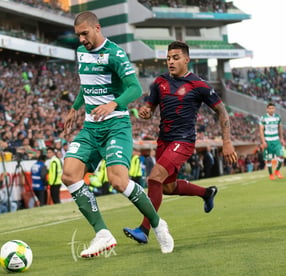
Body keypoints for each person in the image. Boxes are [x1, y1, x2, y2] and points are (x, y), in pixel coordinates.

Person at [62, 11, 174, 258]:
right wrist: (74, 107)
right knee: (69, 175)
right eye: (78, 35)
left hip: (116, 125)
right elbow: (86, 83)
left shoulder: (115, 53)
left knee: (118, 181)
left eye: (85, 33)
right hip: (91, 127)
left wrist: (113, 104)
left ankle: (157, 224)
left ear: (97, 28)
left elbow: (135, 87)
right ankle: (102, 233)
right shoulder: (81, 53)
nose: (81, 39)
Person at [123, 41, 238, 245]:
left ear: (187, 60)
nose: (171, 62)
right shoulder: (159, 82)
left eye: (175, 58)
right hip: (163, 141)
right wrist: (145, 112)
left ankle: (145, 229)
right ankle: (206, 192)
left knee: (154, 178)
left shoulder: (199, 85)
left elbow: (222, 111)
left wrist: (226, 142)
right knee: (167, 188)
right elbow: (149, 108)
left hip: (183, 142)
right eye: (168, 58)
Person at [259, 103, 284, 180]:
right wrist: (263, 142)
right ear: (267, 109)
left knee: (281, 155)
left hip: (276, 139)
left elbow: (280, 128)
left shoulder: (278, 117)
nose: (271, 110)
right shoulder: (263, 118)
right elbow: (261, 130)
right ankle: (271, 174)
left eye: (273, 108)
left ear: (274, 109)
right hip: (268, 140)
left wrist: (281, 138)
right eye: (270, 108)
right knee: (269, 159)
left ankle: (277, 171)